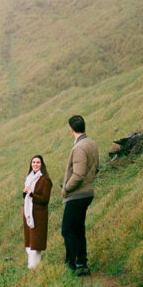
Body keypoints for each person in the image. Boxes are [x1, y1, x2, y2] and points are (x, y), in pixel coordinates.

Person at [61, 115, 99, 275]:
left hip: (77, 195)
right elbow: (95, 168)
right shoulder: (92, 143)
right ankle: (81, 263)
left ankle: (71, 265)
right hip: (87, 192)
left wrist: (65, 189)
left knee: (67, 230)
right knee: (78, 229)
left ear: (71, 129)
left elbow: (78, 175)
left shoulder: (79, 147)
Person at [22, 154, 53, 269]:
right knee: (29, 244)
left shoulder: (45, 180)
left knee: (36, 244)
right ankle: (32, 267)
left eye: (38, 162)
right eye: (33, 162)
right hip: (28, 214)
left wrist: (31, 194)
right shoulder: (29, 178)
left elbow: (45, 199)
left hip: (38, 216)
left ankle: (35, 268)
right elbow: (27, 197)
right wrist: (25, 193)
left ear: (42, 165)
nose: (35, 164)